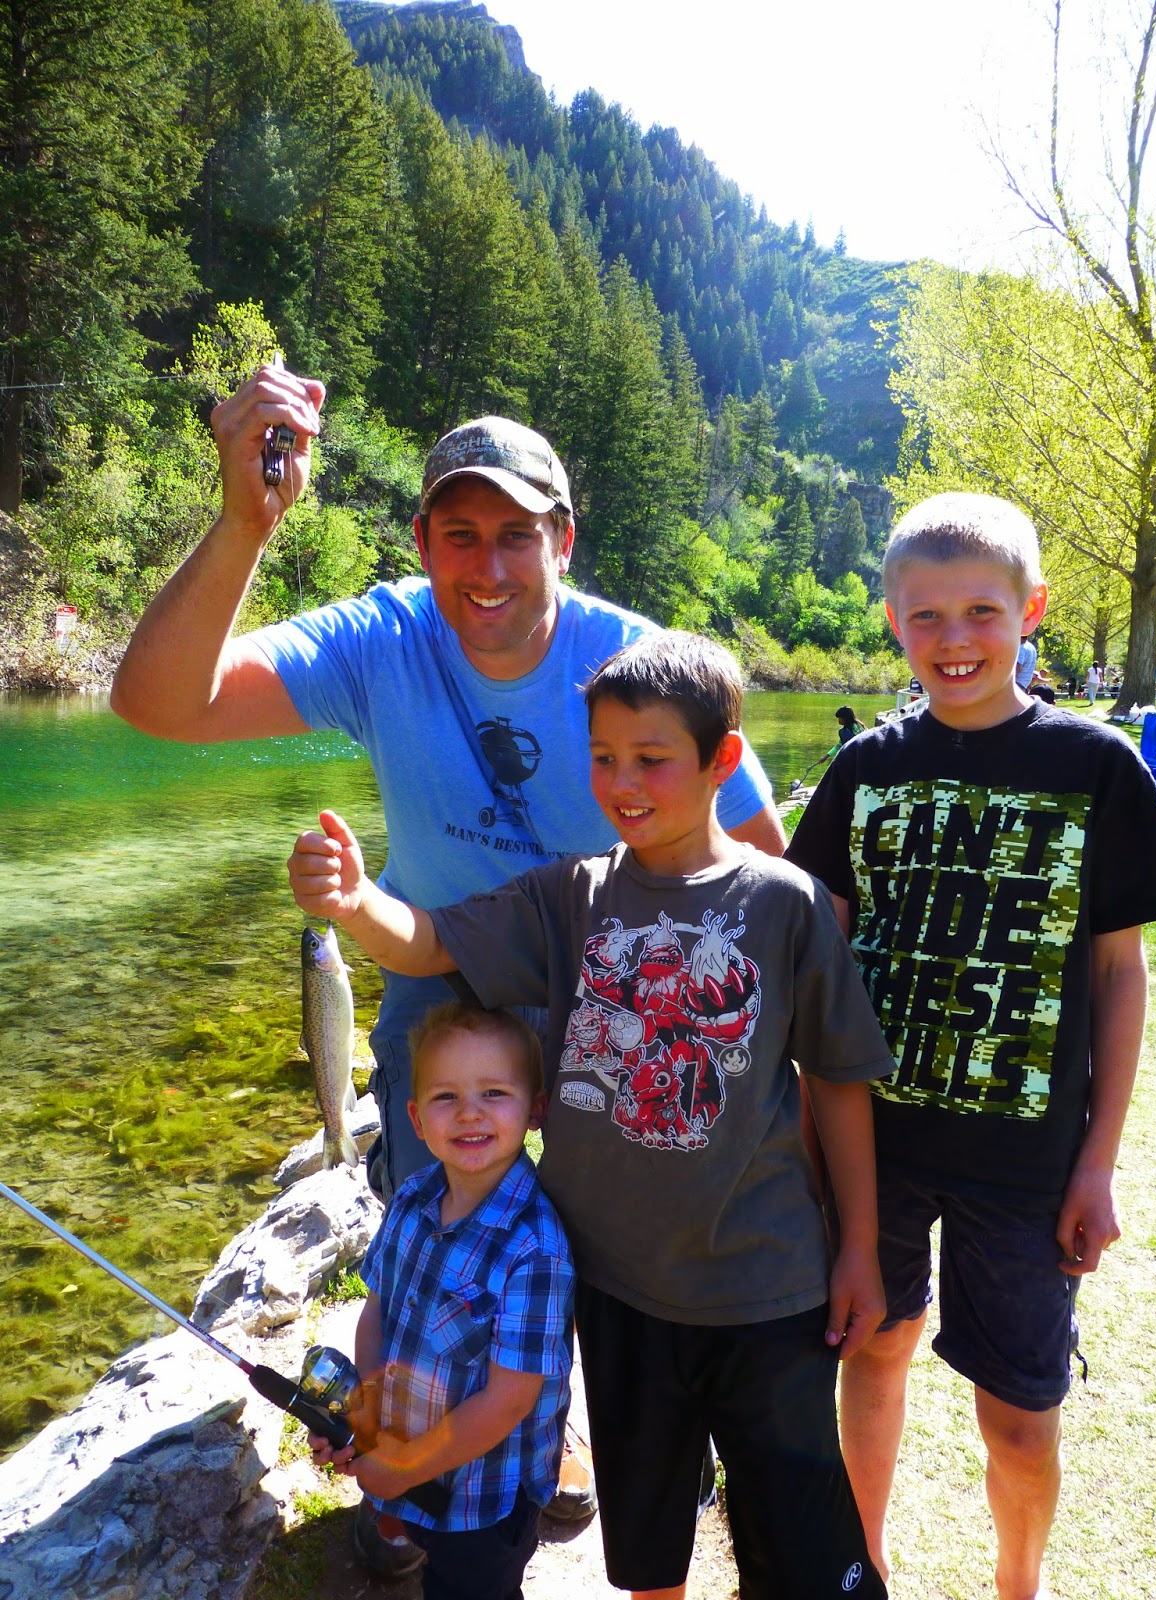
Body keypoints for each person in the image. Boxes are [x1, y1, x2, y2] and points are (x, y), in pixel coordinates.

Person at [108, 368, 783, 1541]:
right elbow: (159, 701)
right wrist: (244, 520)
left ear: (563, 540)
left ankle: (547, 1413)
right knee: (428, 1212)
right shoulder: (381, 639)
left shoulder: (640, 661)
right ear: (420, 539)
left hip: (603, 979)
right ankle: (412, 1447)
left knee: (586, 1220)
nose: (487, 567)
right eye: (458, 534)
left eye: (517, 536)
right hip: (432, 963)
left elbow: (767, 872)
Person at [289, 630, 894, 1600]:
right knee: (648, 1544)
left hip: (766, 1293)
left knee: (801, 1550)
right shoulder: (572, 895)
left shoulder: (787, 906)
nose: (623, 781)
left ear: (721, 761)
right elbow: (431, 938)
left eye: (651, 758)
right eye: (603, 757)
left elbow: (840, 1080)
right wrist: (360, 903)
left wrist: (858, 1243)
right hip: (614, 1296)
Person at [785, 492, 1156, 1600]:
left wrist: (1098, 1161)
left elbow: (1119, 975)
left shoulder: (1096, 768)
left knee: (1019, 1418)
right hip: (876, 1149)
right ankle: (861, 1565)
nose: (955, 638)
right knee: (873, 1350)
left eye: (981, 610)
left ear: (1033, 612)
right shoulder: (862, 773)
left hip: (1027, 1168)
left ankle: (1021, 1581)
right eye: (926, 616)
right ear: (891, 621)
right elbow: (816, 965)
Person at [311, 1002, 574, 1600]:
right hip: (410, 1461)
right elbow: (377, 1310)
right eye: (445, 1097)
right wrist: (366, 1420)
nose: (470, 1113)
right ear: (416, 1118)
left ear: (535, 1109)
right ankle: (402, 1520)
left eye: (494, 1093)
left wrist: (404, 1465)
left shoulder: (535, 1250)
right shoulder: (411, 1197)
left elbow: (507, 1402)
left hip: (487, 1498)